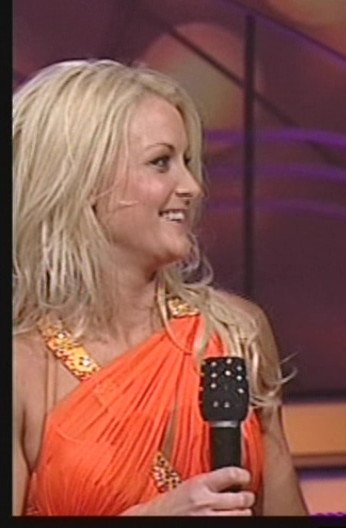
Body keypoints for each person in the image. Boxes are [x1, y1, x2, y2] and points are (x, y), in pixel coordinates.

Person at [12, 59, 310, 516]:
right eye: (160, 163)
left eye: (188, 162)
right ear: (82, 180)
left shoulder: (234, 334)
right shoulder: (23, 367)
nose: (192, 187)